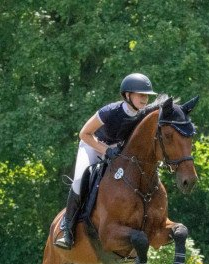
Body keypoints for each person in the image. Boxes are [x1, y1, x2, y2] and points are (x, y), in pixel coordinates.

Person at [54, 73, 157, 250]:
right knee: (79, 181)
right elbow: (84, 133)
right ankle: (67, 230)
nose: (145, 99)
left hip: (118, 152)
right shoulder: (110, 111)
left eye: (146, 95)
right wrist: (106, 150)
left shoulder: (143, 115)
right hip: (92, 146)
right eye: (141, 95)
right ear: (127, 95)